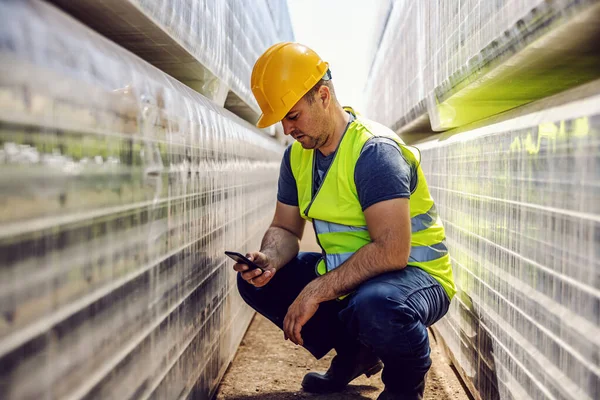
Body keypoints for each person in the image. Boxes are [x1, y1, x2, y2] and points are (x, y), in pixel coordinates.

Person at [232, 42, 456, 400]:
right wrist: (269, 258)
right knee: (261, 284)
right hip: (357, 278)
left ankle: (404, 386)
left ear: (322, 96)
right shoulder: (297, 158)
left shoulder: (374, 152)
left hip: (415, 277)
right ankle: (355, 355)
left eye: (293, 116)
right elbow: (286, 229)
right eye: (282, 121)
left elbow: (393, 251)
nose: (288, 129)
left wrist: (315, 291)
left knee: (377, 305)